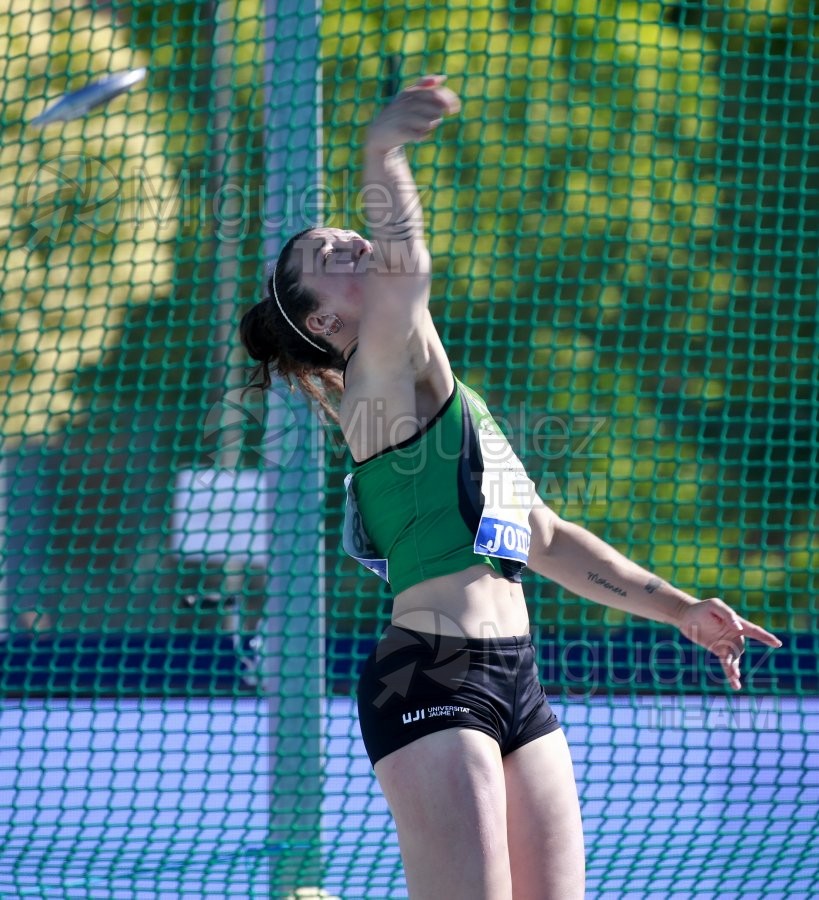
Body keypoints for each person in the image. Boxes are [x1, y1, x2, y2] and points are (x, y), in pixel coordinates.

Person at [240, 75, 782, 900]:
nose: (351, 243)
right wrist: (382, 153)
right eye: (330, 255)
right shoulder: (373, 384)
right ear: (324, 325)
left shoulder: (455, 406)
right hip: (428, 675)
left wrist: (680, 609)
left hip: (515, 676)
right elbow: (406, 270)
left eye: (351, 234)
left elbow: (545, 536)